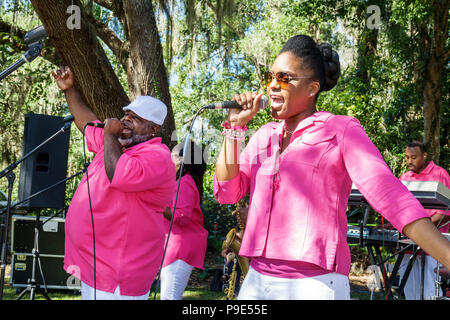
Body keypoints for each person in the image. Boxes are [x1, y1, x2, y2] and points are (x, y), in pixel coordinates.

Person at [213, 34, 450, 300]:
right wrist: (234, 129)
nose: (272, 86)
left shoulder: (340, 129)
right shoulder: (264, 136)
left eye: (284, 78)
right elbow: (226, 192)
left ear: (313, 88)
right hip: (256, 279)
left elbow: (391, 197)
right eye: (269, 77)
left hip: (314, 284)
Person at [51, 66, 176, 300]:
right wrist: (69, 90)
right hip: (95, 266)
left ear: (153, 129)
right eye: (126, 115)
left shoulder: (157, 155)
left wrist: (109, 135)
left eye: (136, 119)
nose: (127, 121)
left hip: (119, 274)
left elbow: (118, 175)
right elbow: (87, 123)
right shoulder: (115, 147)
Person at [397, 140, 450, 300]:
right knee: (410, 291)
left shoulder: (440, 174)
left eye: (413, 157)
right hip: (408, 243)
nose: (409, 161)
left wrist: (420, 229)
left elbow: (445, 212)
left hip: (433, 244)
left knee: (430, 293)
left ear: (424, 155)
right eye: (406, 157)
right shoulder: (405, 177)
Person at [160, 140, 208, 300]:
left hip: (179, 248)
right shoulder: (183, 182)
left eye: (172, 156)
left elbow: (182, 216)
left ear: (181, 161)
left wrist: (156, 204)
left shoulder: (184, 183)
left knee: (170, 297)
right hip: (176, 247)